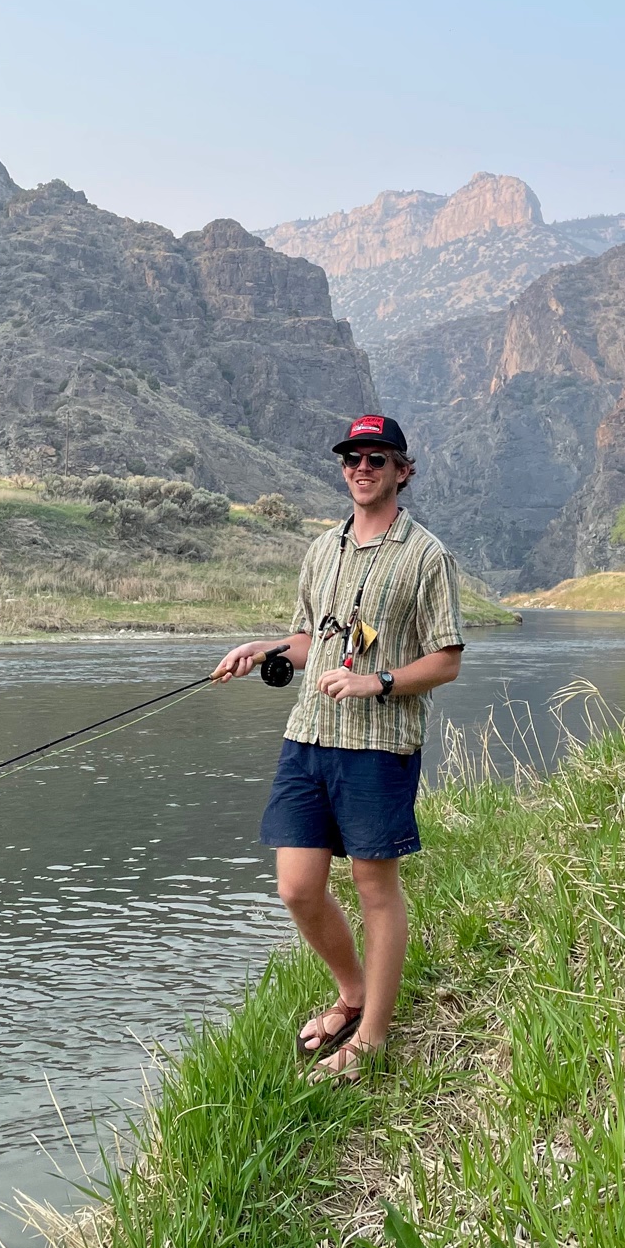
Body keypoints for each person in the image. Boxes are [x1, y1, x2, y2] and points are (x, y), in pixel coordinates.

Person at [213, 413, 465, 1081]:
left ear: (402, 471)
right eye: (352, 458)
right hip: (308, 738)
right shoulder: (322, 550)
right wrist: (260, 648)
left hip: (380, 744)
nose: (362, 468)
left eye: (377, 459)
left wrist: (375, 681)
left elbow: (446, 662)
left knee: (373, 886)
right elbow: (308, 643)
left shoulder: (427, 556)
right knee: (297, 887)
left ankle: (373, 1037)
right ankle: (352, 993)